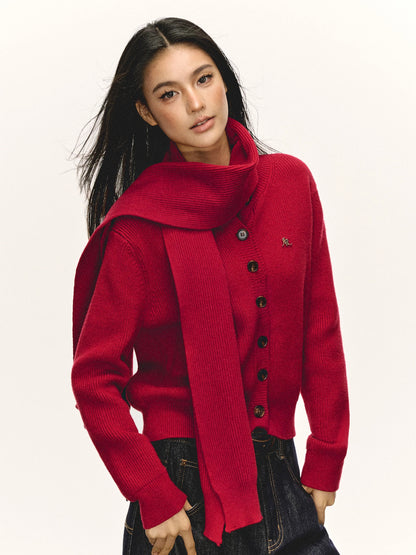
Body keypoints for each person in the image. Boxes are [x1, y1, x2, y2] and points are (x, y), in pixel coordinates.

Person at [71, 16, 349, 555]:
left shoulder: (291, 184)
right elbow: (94, 377)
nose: (196, 104)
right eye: (169, 94)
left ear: (225, 81)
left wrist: (327, 454)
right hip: (180, 490)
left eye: (203, 79)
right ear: (147, 112)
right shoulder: (137, 230)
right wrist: (152, 492)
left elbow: (321, 330)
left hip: (281, 468)